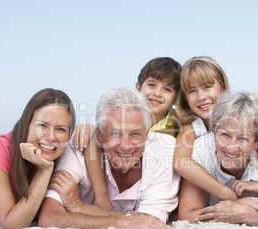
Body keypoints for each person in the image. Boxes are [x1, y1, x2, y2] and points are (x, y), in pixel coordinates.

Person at [38, 87, 180, 229]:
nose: (125, 145)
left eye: (135, 134)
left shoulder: (165, 151)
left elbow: (149, 222)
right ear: (100, 134)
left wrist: (77, 206)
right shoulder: (79, 149)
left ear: (146, 133)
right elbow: (49, 218)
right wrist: (126, 220)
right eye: (116, 133)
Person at [173, 56, 258, 202]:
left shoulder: (244, 118)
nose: (201, 96)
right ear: (185, 98)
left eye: (207, 87)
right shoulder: (191, 127)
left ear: (223, 88)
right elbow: (181, 163)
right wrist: (227, 193)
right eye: (192, 91)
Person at [72, 57, 182, 210]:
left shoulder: (177, 126)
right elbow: (100, 136)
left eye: (167, 89)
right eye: (151, 85)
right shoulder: (118, 115)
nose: (157, 93)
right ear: (138, 87)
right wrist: (91, 130)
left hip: (164, 190)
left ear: (176, 98)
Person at [178, 91, 258, 225]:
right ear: (215, 132)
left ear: (256, 142)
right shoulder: (200, 151)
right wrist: (244, 206)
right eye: (225, 135)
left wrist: (247, 214)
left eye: (243, 138)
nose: (231, 147)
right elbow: (187, 216)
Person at [0, 88, 76, 229]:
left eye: (60, 129)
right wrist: (44, 170)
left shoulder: (68, 150)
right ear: (26, 123)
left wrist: (88, 131)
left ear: (69, 134)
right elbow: (9, 226)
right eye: (42, 125)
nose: (51, 137)